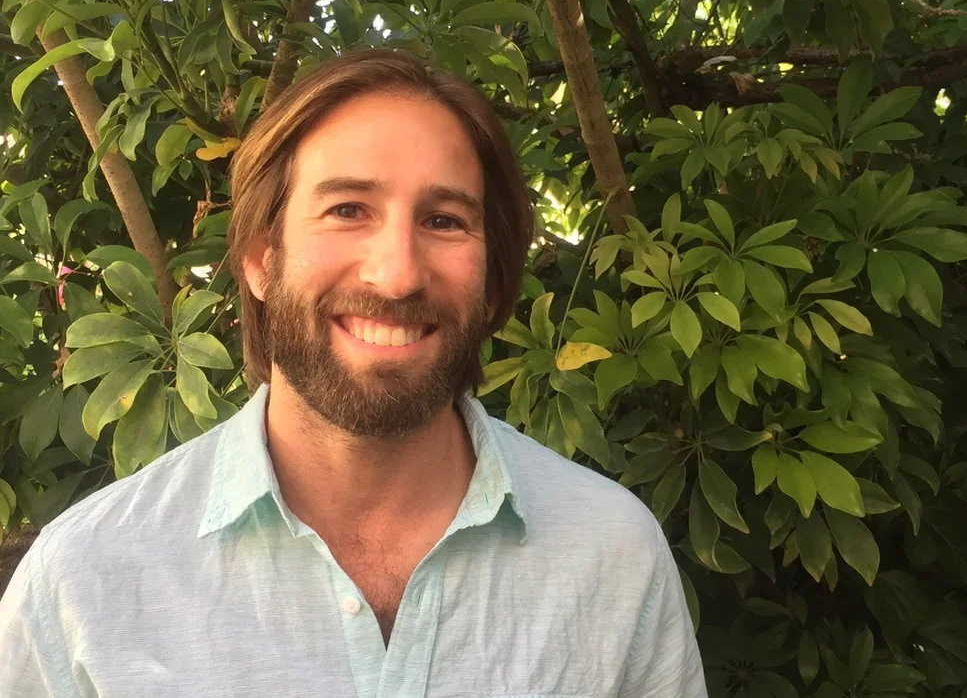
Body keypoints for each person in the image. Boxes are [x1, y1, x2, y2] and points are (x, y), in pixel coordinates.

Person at [0, 48, 707, 697]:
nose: (397, 275)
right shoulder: (82, 588)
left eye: (445, 221)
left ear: (494, 281)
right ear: (258, 258)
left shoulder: (615, 559)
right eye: (347, 210)